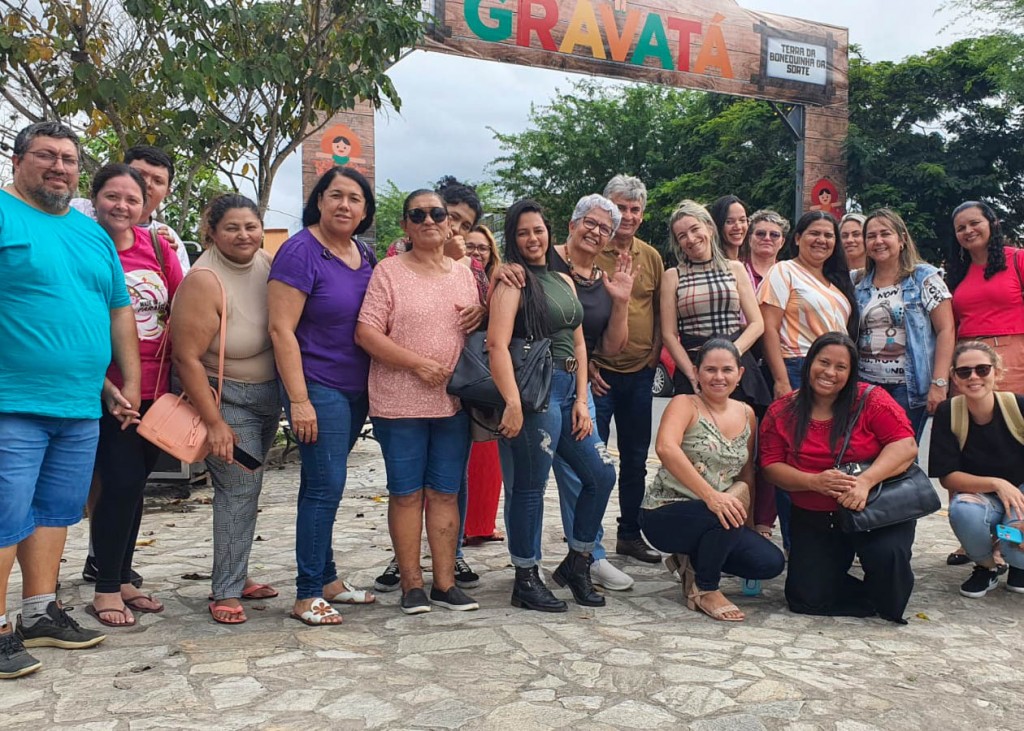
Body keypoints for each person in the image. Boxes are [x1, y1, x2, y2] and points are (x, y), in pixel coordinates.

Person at [1, 121, 139, 678]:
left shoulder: (90, 234)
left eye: (70, 158)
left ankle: (39, 613)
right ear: (17, 159)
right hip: (11, 401)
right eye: (47, 155)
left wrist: (122, 383)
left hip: (79, 405)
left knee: (53, 514)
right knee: (3, 517)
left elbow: (117, 310)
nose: (60, 167)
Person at [356, 189, 481, 615]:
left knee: (446, 494)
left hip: (453, 403)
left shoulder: (465, 273)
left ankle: (445, 583)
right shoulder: (388, 272)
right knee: (406, 494)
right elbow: (367, 333)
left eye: (436, 213)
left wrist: (481, 313)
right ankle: (412, 584)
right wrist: (417, 365)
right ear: (406, 226)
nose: (428, 220)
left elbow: (476, 328)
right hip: (399, 402)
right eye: (417, 214)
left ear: (450, 223)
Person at [489, 198, 617, 612]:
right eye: (522, 231)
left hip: (567, 390)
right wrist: (511, 401)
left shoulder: (563, 280)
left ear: (550, 232)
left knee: (600, 475)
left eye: (538, 229)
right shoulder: (513, 281)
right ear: (513, 238)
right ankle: (525, 576)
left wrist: (582, 399)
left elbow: (579, 342)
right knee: (529, 488)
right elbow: (496, 344)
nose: (532, 238)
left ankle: (578, 562)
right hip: (534, 393)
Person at [268, 167, 379, 626]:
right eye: (336, 196)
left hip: (356, 389)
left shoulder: (362, 252)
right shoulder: (299, 252)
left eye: (355, 199)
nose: (345, 206)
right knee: (324, 486)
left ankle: (329, 579)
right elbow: (280, 328)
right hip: (317, 385)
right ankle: (307, 592)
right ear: (319, 200)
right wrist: (299, 399)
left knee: (325, 485)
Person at [171, 194, 280, 625]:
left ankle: (236, 570)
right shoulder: (203, 279)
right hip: (225, 398)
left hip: (267, 397)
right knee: (238, 488)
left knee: (248, 489)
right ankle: (225, 591)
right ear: (212, 232)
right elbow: (187, 358)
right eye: (232, 227)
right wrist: (214, 422)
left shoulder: (267, 264)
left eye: (251, 226)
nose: (244, 235)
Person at [761, 333, 919, 623]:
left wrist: (865, 481)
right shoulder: (782, 410)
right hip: (816, 514)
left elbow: (905, 445)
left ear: (851, 372)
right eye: (823, 362)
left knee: (889, 581)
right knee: (805, 598)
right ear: (809, 364)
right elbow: (771, 466)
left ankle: (884, 584)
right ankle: (851, 583)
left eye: (840, 367)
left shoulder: (872, 400)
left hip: (874, 508)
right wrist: (813, 482)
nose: (830, 373)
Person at [88, 164, 183, 627]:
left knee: (136, 484)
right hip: (107, 389)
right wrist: (109, 387)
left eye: (132, 199)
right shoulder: (85, 244)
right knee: (120, 481)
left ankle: (122, 576)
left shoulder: (158, 247)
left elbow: (180, 309)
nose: (122, 206)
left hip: (157, 389)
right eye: (113, 196)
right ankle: (105, 588)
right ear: (95, 199)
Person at [642, 340, 784, 621]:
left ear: (740, 374)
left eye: (727, 370)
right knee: (724, 512)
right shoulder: (685, 403)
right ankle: (704, 588)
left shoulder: (747, 413)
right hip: (666, 511)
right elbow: (666, 448)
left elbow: (746, 475)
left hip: (719, 514)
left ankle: (693, 562)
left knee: (769, 562)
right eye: (710, 370)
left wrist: (751, 526)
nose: (719, 377)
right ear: (696, 372)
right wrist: (711, 496)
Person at [548, 195, 634, 590]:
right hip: (534, 383)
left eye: (605, 229)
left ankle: (586, 555)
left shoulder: (603, 279)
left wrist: (621, 302)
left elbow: (611, 347)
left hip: (579, 388)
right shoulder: (542, 261)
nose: (596, 232)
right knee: (526, 482)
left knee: (590, 473)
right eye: (591, 223)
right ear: (573, 222)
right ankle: (526, 565)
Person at [594, 175, 665, 566]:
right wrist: (586, 364)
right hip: (599, 373)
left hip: (639, 373)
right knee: (595, 460)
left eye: (635, 209)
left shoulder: (651, 256)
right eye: (620, 207)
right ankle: (590, 539)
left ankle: (630, 534)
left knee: (636, 458)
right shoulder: (589, 252)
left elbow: (658, 311)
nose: (628, 215)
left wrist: (654, 356)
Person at [930, 341, 1024, 597]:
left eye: (982, 370)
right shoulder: (948, 412)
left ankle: (1017, 565)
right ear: (954, 378)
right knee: (962, 511)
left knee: (1017, 547)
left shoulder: (1018, 407)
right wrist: (997, 484)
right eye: (964, 372)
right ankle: (986, 566)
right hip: (984, 497)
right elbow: (948, 477)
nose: (973, 377)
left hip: (1021, 497)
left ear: (996, 371)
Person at [855, 209, 954, 440]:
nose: (878, 241)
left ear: (902, 240)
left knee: (902, 451)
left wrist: (939, 383)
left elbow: (946, 330)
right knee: (870, 450)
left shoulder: (924, 278)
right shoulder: (859, 283)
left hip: (907, 387)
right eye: (871, 236)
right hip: (866, 384)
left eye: (885, 234)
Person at [660, 199, 769, 405]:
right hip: (693, 363)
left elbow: (757, 323)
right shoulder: (672, 276)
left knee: (742, 429)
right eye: (682, 236)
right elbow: (669, 334)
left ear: (709, 228)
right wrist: (692, 374)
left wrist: (732, 354)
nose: (691, 239)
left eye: (695, 229)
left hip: (736, 362)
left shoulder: (735, 269)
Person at [759, 211, 859, 398]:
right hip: (799, 366)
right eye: (814, 233)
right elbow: (768, 328)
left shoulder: (837, 281)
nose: (821, 240)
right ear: (798, 238)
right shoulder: (784, 271)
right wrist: (781, 381)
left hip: (836, 370)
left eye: (828, 235)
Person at [72, 145, 191, 275]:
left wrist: (168, 255)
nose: (147, 184)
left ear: (167, 192)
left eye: (158, 181)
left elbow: (182, 290)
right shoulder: (77, 211)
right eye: (139, 175)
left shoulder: (166, 238)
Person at [947, 201, 1024, 395]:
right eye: (961, 228)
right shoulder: (957, 273)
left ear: (993, 223)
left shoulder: (1018, 259)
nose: (968, 231)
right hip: (965, 364)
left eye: (975, 223)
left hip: (1013, 361)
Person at [462, 223, 505, 546]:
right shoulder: (455, 275)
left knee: (490, 455)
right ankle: (463, 524)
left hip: (489, 375)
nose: (477, 252)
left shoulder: (499, 282)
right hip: (459, 371)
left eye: (483, 247)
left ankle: (482, 524)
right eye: (471, 245)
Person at [740, 209, 789, 291]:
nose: (767, 238)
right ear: (749, 239)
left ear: (782, 242)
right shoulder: (736, 269)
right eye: (760, 233)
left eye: (774, 235)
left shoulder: (787, 274)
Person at [709, 195, 749, 261]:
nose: (738, 227)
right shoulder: (715, 265)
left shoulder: (746, 262)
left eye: (742, 220)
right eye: (729, 222)